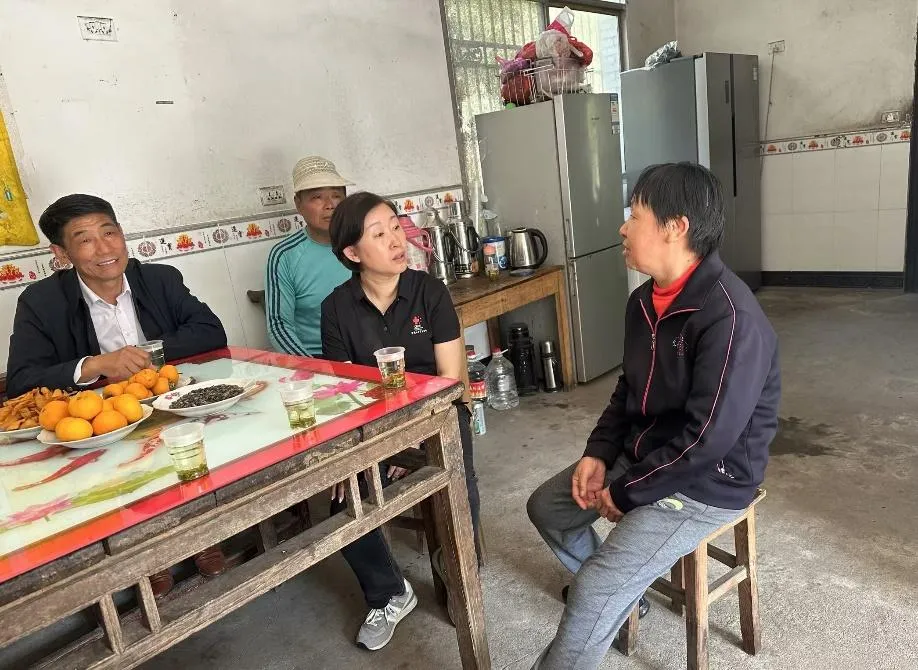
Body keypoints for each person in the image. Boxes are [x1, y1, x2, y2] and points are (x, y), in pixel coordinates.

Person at [526, 163, 780, 669]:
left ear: (675, 227)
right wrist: (599, 453)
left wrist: (625, 492)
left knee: (595, 589)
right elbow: (630, 388)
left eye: (634, 215)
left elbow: (706, 441)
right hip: (651, 452)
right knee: (549, 508)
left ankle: (611, 596)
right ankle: (628, 595)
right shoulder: (643, 302)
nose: (622, 228)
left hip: (708, 480)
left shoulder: (730, 318)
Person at [5, 193, 229, 596]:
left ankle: (198, 534)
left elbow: (211, 332)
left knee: (192, 446)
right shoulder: (40, 302)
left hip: (168, 403)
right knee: (116, 470)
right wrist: (95, 365)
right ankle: (148, 553)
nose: (104, 248)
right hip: (100, 420)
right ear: (62, 253)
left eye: (109, 232)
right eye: (85, 239)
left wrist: (145, 356)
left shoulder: (160, 279)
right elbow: (22, 379)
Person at [321, 191, 482, 651]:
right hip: (375, 428)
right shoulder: (336, 308)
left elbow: (451, 381)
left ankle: (457, 572)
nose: (397, 240)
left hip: (438, 417)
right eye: (380, 234)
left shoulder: (429, 292)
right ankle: (390, 592)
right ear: (353, 253)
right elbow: (347, 393)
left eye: (396, 227)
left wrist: (410, 439)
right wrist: (373, 448)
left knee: (457, 482)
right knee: (343, 504)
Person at [264, 156, 352, 356]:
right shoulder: (284, 255)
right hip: (317, 357)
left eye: (336, 195)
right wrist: (311, 367)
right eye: (317, 197)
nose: (330, 205)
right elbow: (279, 325)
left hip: (371, 354)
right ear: (298, 204)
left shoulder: (364, 242)